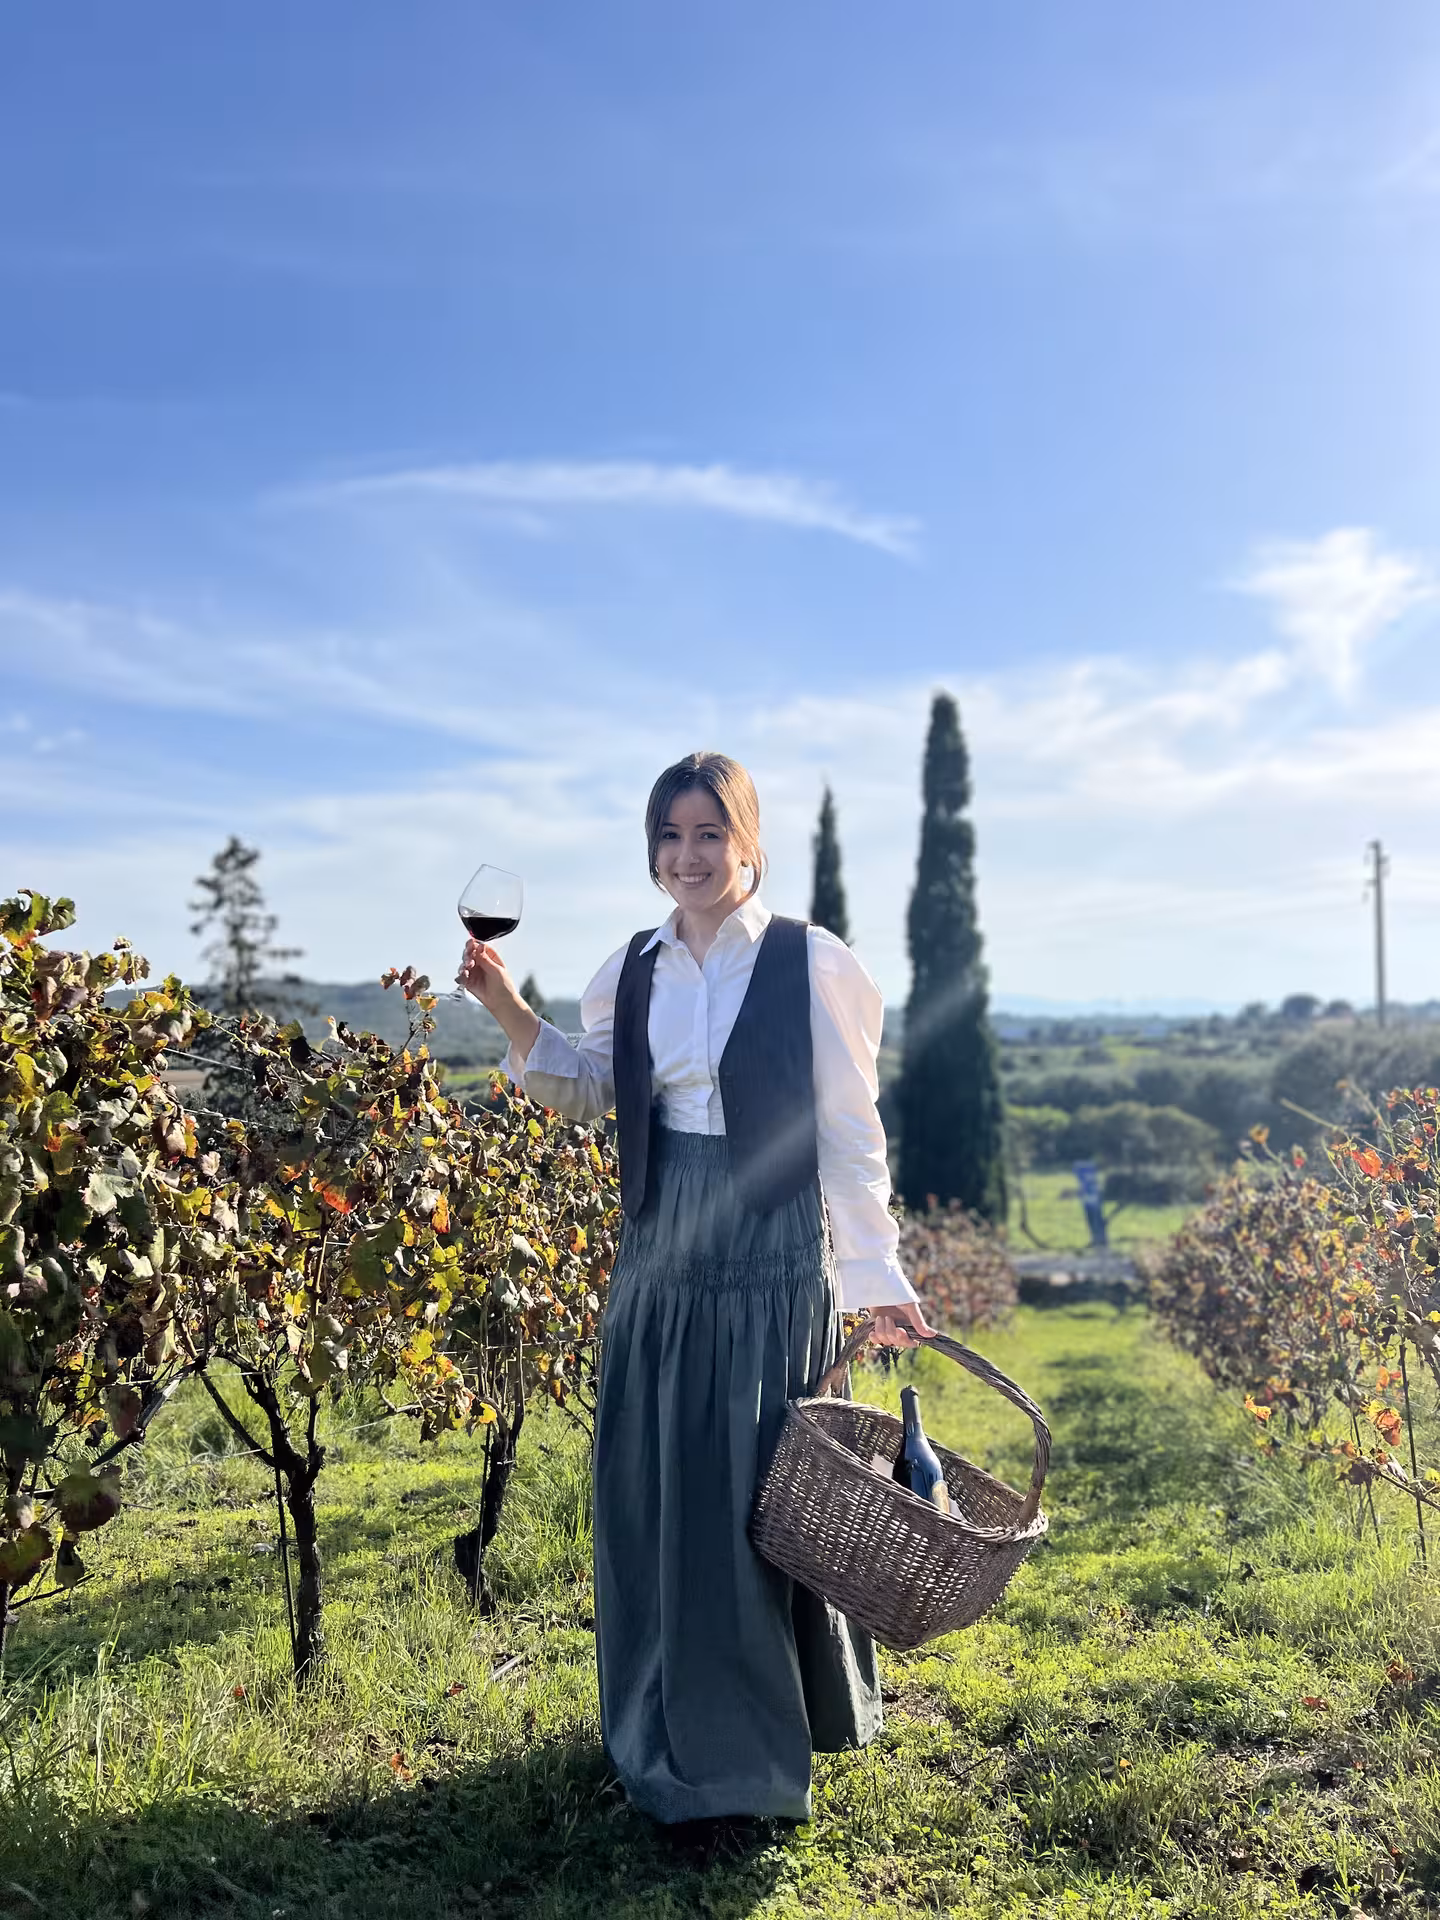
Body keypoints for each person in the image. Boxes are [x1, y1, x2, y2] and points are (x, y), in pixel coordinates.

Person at [457, 750, 934, 1828]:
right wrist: (504, 1007)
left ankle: (755, 1766)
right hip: (663, 1255)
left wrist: (876, 1276)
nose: (688, 857)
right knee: (667, 1501)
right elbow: (591, 1090)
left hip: (771, 1264)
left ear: (749, 840)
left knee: (765, 1507)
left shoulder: (814, 965)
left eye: (709, 834)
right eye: (669, 837)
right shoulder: (633, 968)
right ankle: (673, 1739)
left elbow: (852, 1135)